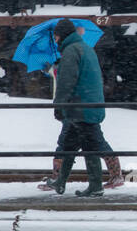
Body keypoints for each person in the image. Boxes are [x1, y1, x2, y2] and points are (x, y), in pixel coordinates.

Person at [39, 21, 123, 196]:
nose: (55, 40)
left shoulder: (71, 51)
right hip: (86, 105)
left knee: (90, 146)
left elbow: (66, 83)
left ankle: (95, 186)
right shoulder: (84, 48)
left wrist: (59, 105)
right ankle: (60, 182)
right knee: (69, 145)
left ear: (62, 35)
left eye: (56, 36)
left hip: (81, 107)